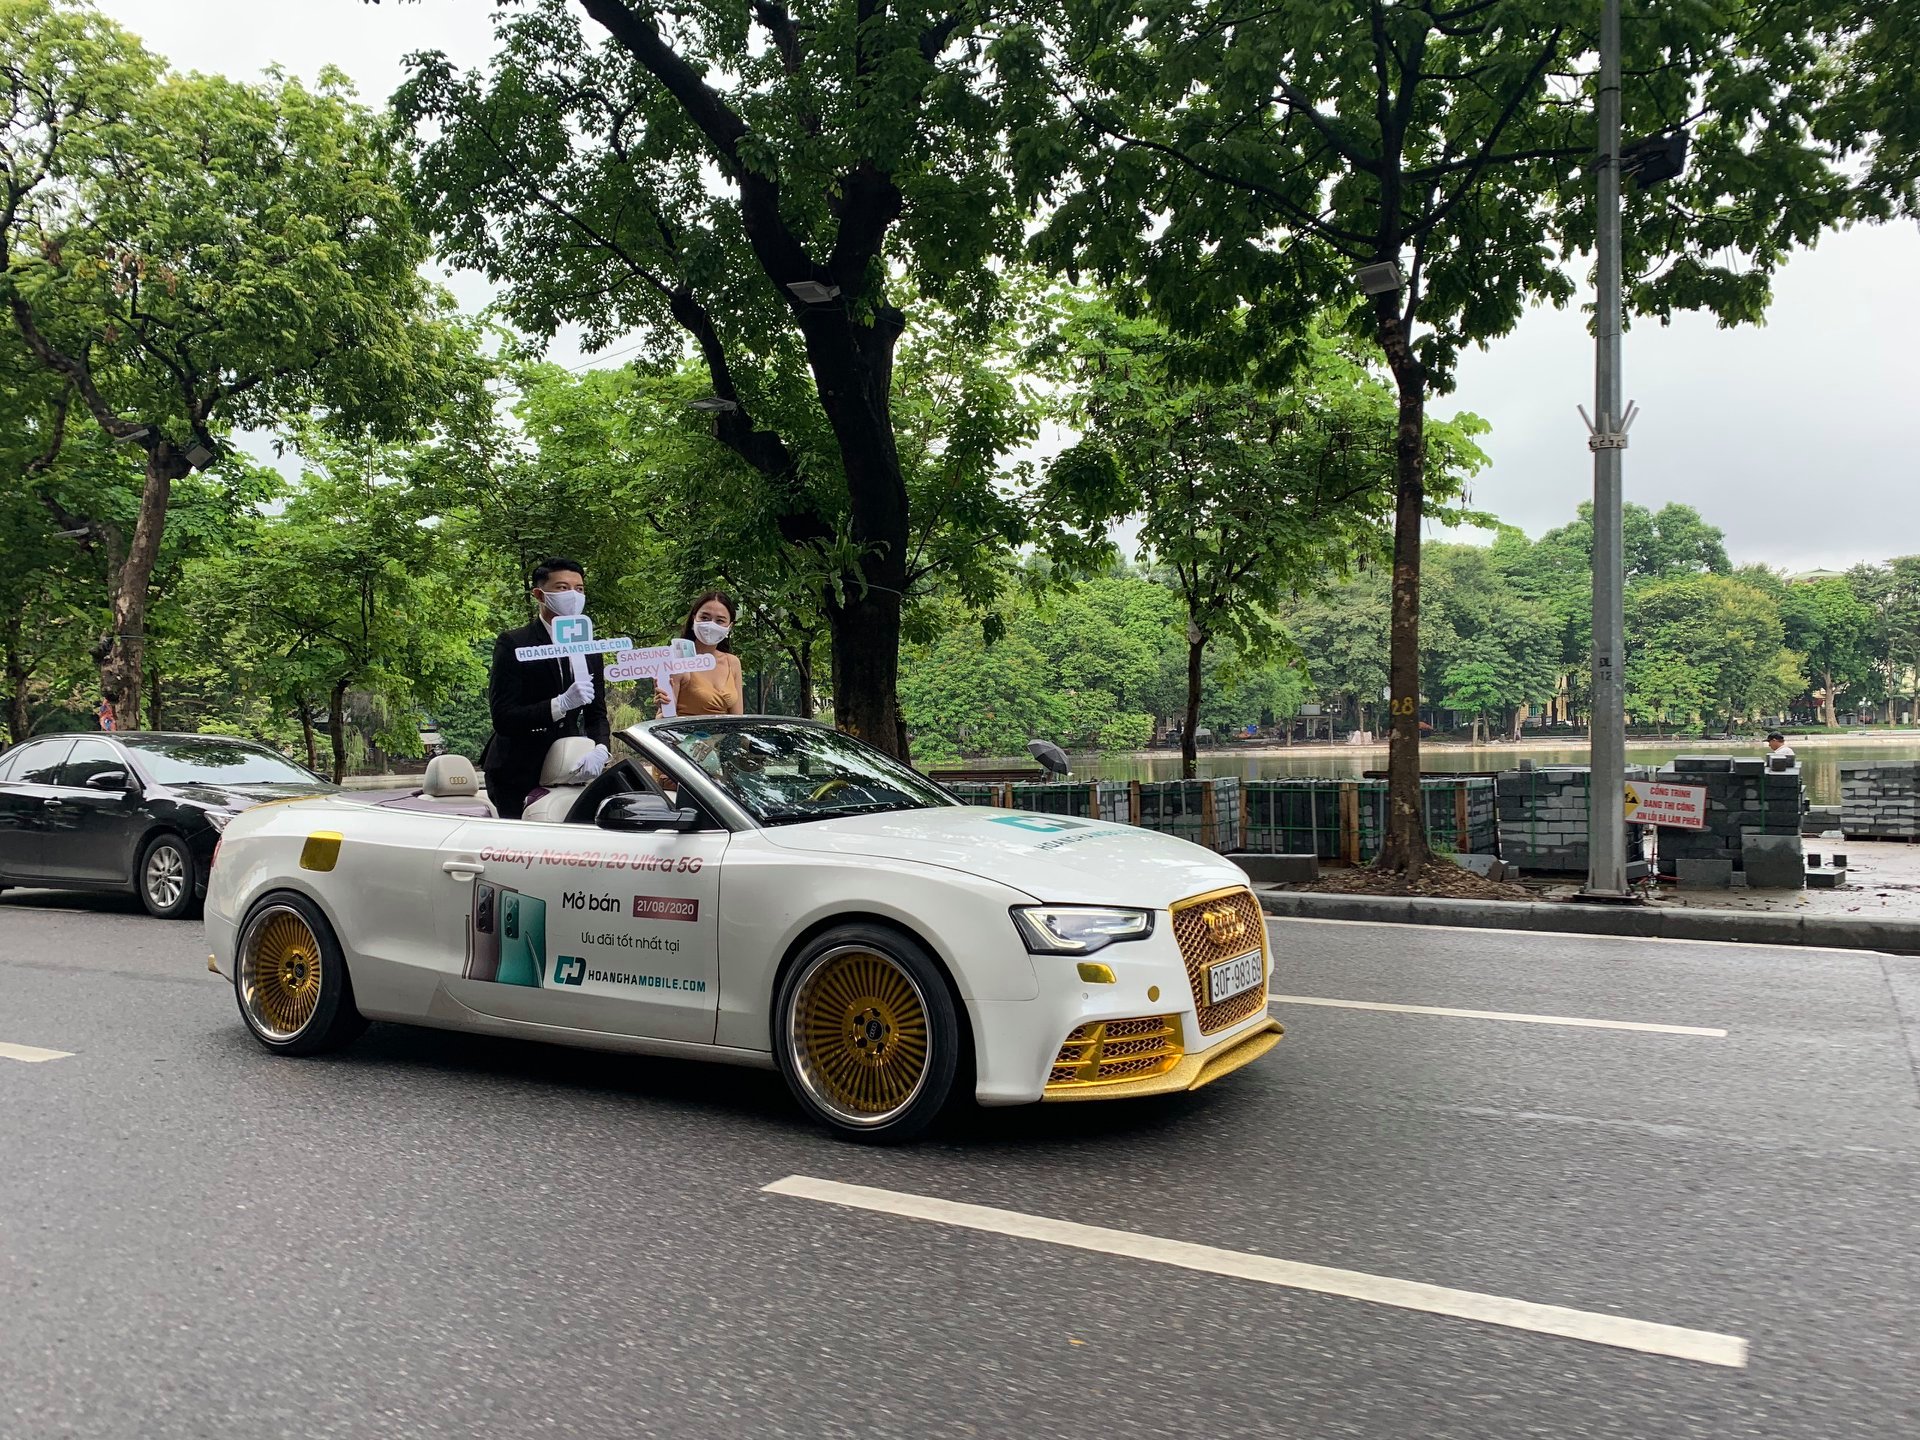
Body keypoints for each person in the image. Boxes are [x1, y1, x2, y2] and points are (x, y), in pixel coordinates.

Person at [481, 558, 610, 819]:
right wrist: (559, 705)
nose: (573, 595)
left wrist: (601, 748)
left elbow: (596, 713)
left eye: (579, 589)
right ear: (540, 595)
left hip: (567, 768)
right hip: (517, 769)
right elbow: (503, 717)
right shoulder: (515, 643)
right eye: (562, 588)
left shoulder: (590, 647)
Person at [663, 591, 746, 717]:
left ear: (730, 626)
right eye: (705, 618)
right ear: (694, 618)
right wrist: (663, 707)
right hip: (686, 729)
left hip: (726, 729)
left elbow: (738, 719)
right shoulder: (678, 658)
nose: (711, 625)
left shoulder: (732, 662)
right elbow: (665, 718)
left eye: (720, 621)